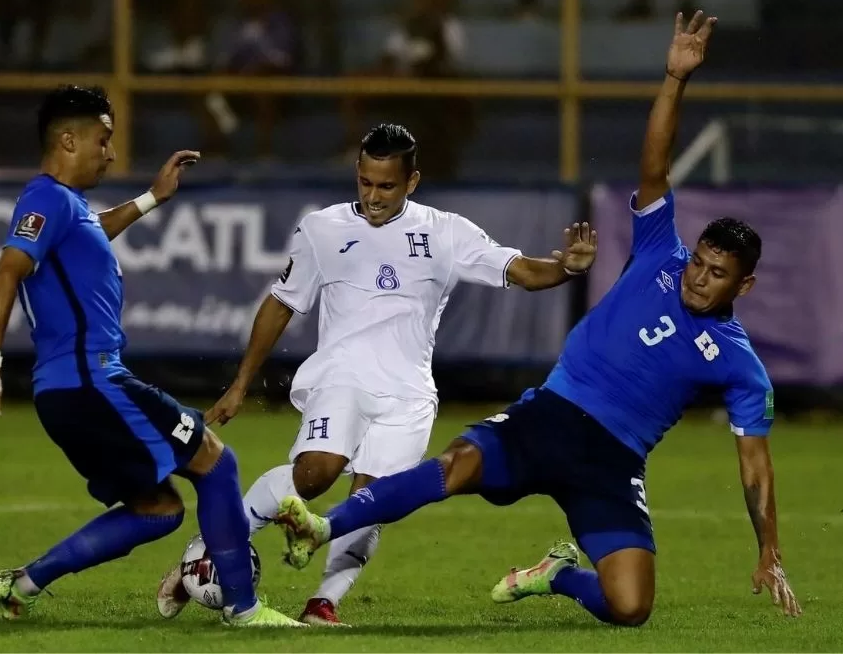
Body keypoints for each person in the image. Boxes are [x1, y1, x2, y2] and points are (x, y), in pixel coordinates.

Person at [273, 12, 802, 626]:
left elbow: (755, 461)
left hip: (613, 460)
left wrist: (769, 550)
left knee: (630, 607)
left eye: (717, 273)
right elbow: (655, 166)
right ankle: (321, 526)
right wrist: (674, 80)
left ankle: (556, 574)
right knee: (456, 466)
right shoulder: (661, 251)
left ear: (746, 285)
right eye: (700, 263)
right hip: (552, 414)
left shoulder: (741, 363)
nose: (699, 276)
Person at [155, 122, 598, 626]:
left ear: (412, 182)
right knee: (314, 475)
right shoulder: (321, 229)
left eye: (386, 186)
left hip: (407, 394)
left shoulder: (446, 232)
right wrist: (240, 383)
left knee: (371, 502)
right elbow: (281, 304)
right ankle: (208, 547)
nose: (372, 196)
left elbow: (522, 271)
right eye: (364, 182)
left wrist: (569, 269)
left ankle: (323, 604)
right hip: (341, 377)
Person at [0, 85, 303, 628]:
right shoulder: (46, 198)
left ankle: (21, 583)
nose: (110, 152)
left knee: (159, 511)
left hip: (67, 394)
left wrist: (150, 198)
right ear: (68, 140)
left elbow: (93, 230)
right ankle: (244, 608)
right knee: (217, 463)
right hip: (94, 384)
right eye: (103, 140)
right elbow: (7, 270)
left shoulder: (68, 208)